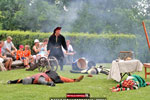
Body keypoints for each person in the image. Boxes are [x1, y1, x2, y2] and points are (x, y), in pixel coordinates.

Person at [7, 70, 84, 86]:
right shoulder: (35, 79)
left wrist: (11, 81)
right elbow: (20, 80)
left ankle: (74, 80)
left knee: (63, 78)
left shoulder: (36, 78)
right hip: (50, 77)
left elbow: (43, 81)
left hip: (49, 75)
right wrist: (11, 82)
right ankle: (74, 80)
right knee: (63, 78)